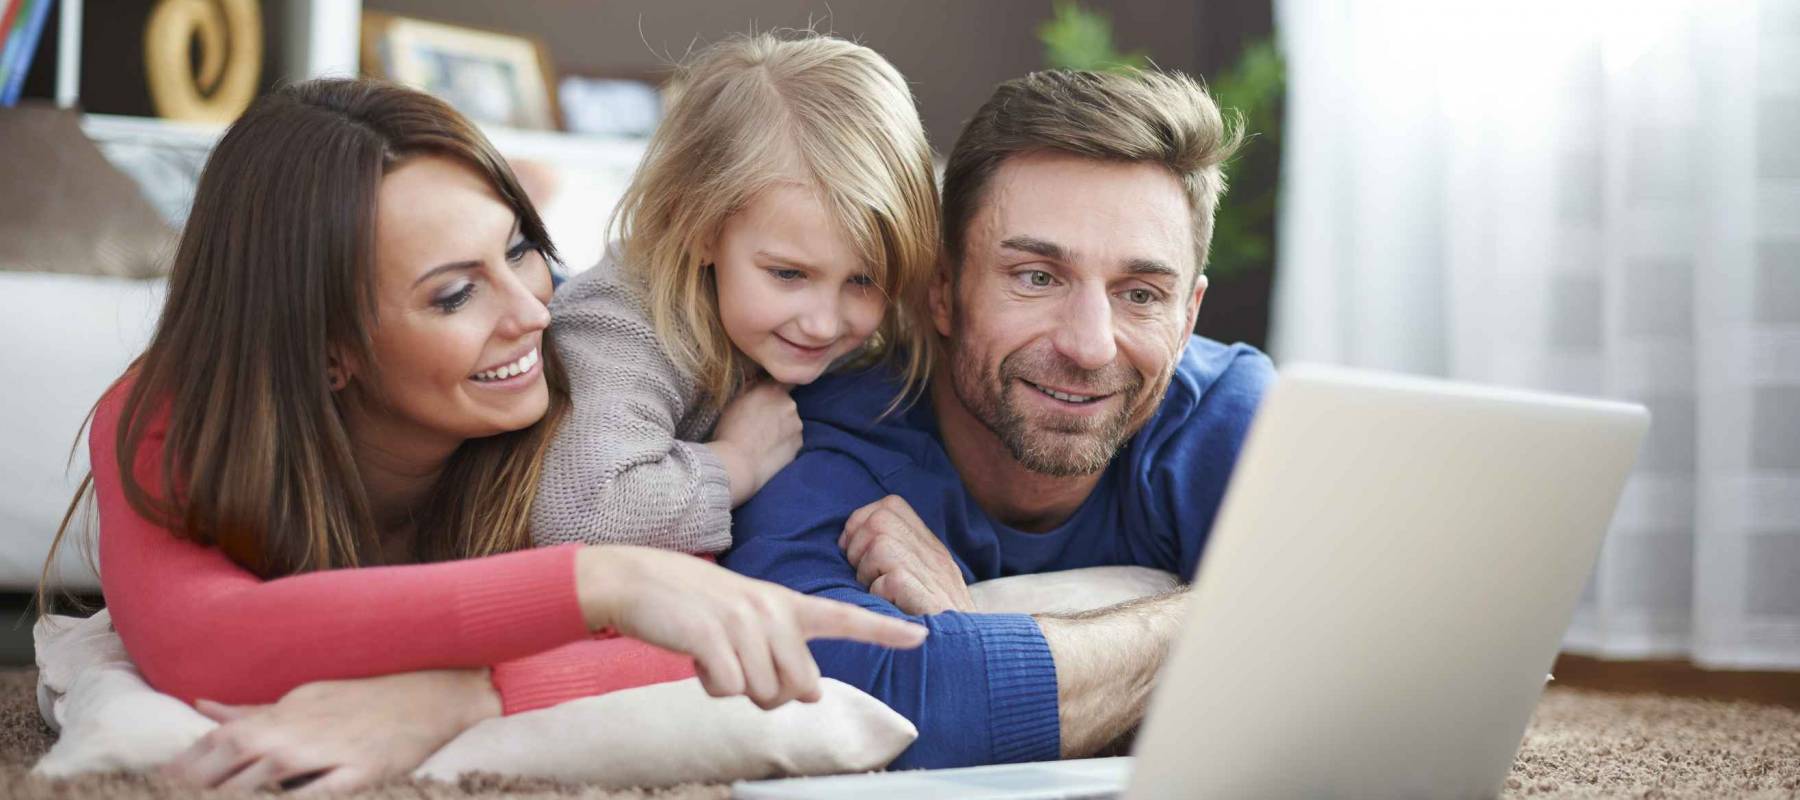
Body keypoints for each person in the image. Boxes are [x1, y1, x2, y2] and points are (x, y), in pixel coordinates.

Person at [38, 78, 925, 793]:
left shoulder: (588, 385)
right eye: (454, 294)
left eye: (519, 248)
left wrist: (463, 693)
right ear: (328, 351)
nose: (535, 312)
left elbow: (714, 616)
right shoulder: (167, 413)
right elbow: (206, 644)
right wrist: (602, 579)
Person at [723, 68, 1275, 768]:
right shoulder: (826, 440)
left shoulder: (1225, 416)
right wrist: (1242, 613)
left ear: (1189, 314)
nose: (1089, 344)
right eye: (1037, 278)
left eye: (1140, 294)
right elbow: (867, 710)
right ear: (944, 291)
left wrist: (981, 630)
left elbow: (1368, 658)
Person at [529, 32, 939, 572]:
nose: (822, 323)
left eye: (863, 281)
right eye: (788, 273)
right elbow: (581, 512)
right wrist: (738, 461)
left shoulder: (818, 332)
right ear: (697, 225)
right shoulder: (623, 319)